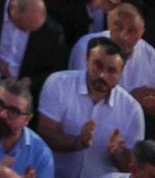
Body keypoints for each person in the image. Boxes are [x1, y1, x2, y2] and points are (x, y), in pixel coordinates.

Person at [37, 36, 144, 178]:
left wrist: (117, 153)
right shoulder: (58, 83)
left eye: (111, 70)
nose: (102, 75)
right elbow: (45, 134)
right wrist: (77, 142)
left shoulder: (132, 110)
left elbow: (133, 168)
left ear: (121, 72)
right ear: (86, 60)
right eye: (97, 65)